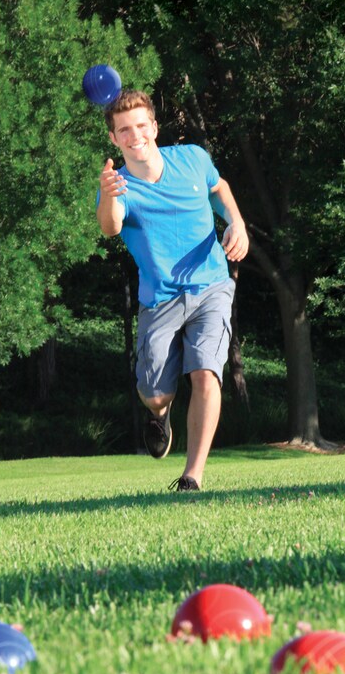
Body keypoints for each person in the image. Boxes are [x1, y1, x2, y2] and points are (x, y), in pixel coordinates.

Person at [95, 89, 249, 491]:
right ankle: (160, 415)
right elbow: (110, 226)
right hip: (160, 299)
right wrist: (108, 195)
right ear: (114, 138)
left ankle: (191, 476)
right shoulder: (118, 186)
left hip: (212, 285)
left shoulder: (192, 158)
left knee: (206, 373)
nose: (135, 135)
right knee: (155, 393)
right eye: (124, 130)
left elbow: (219, 188)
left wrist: (236, 222)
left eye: (141, 126)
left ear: (154, 127)